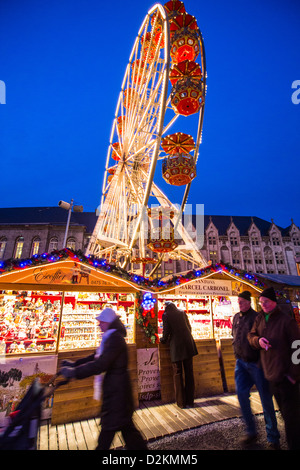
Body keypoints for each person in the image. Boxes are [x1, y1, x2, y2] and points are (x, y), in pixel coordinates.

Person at [60, 307, 147, 450]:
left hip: (117, 394)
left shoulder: (114, 339)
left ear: (107, 322)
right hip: (117, 392)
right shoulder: (110, 337)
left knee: (109, 433)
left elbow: (100, 364)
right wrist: (74, 364)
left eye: (101, 322)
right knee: (128, 431)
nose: (99, 325)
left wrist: (74, 372)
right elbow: (95, 357)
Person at [248, 287, 300, 450]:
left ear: (273, 302)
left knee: (292, 418)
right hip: (270, 375)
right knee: (285, 415)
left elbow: (297, 348)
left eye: (266, 302)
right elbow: (251, 336)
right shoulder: (260, 319)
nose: (263, 304)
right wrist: (258, 341)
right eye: (261, 302)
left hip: (287, 378)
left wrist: (293, 375)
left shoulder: (286, 321)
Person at [232, 291, 280, 448]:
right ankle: (251, 431)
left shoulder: (257, 317)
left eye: (242, 301)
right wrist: (236, 353)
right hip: (241, 363)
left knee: (265, 398)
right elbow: (235, 336)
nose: (239, 304)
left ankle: (273, 437)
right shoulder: (236, 318)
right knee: (241, 395)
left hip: (256, 363)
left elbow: (261, 338)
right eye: (238, 301)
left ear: (248, 302)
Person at [160, 301, 198, 408]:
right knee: (189, 372)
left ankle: (181, 402)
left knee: (178, 373)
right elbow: (189, 328)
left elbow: (166, 332)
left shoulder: (166, 315)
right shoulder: (182, 312)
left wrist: (163, 340)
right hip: (188, 344)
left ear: (166, 307)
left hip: (177, 347)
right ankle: (190, 401)